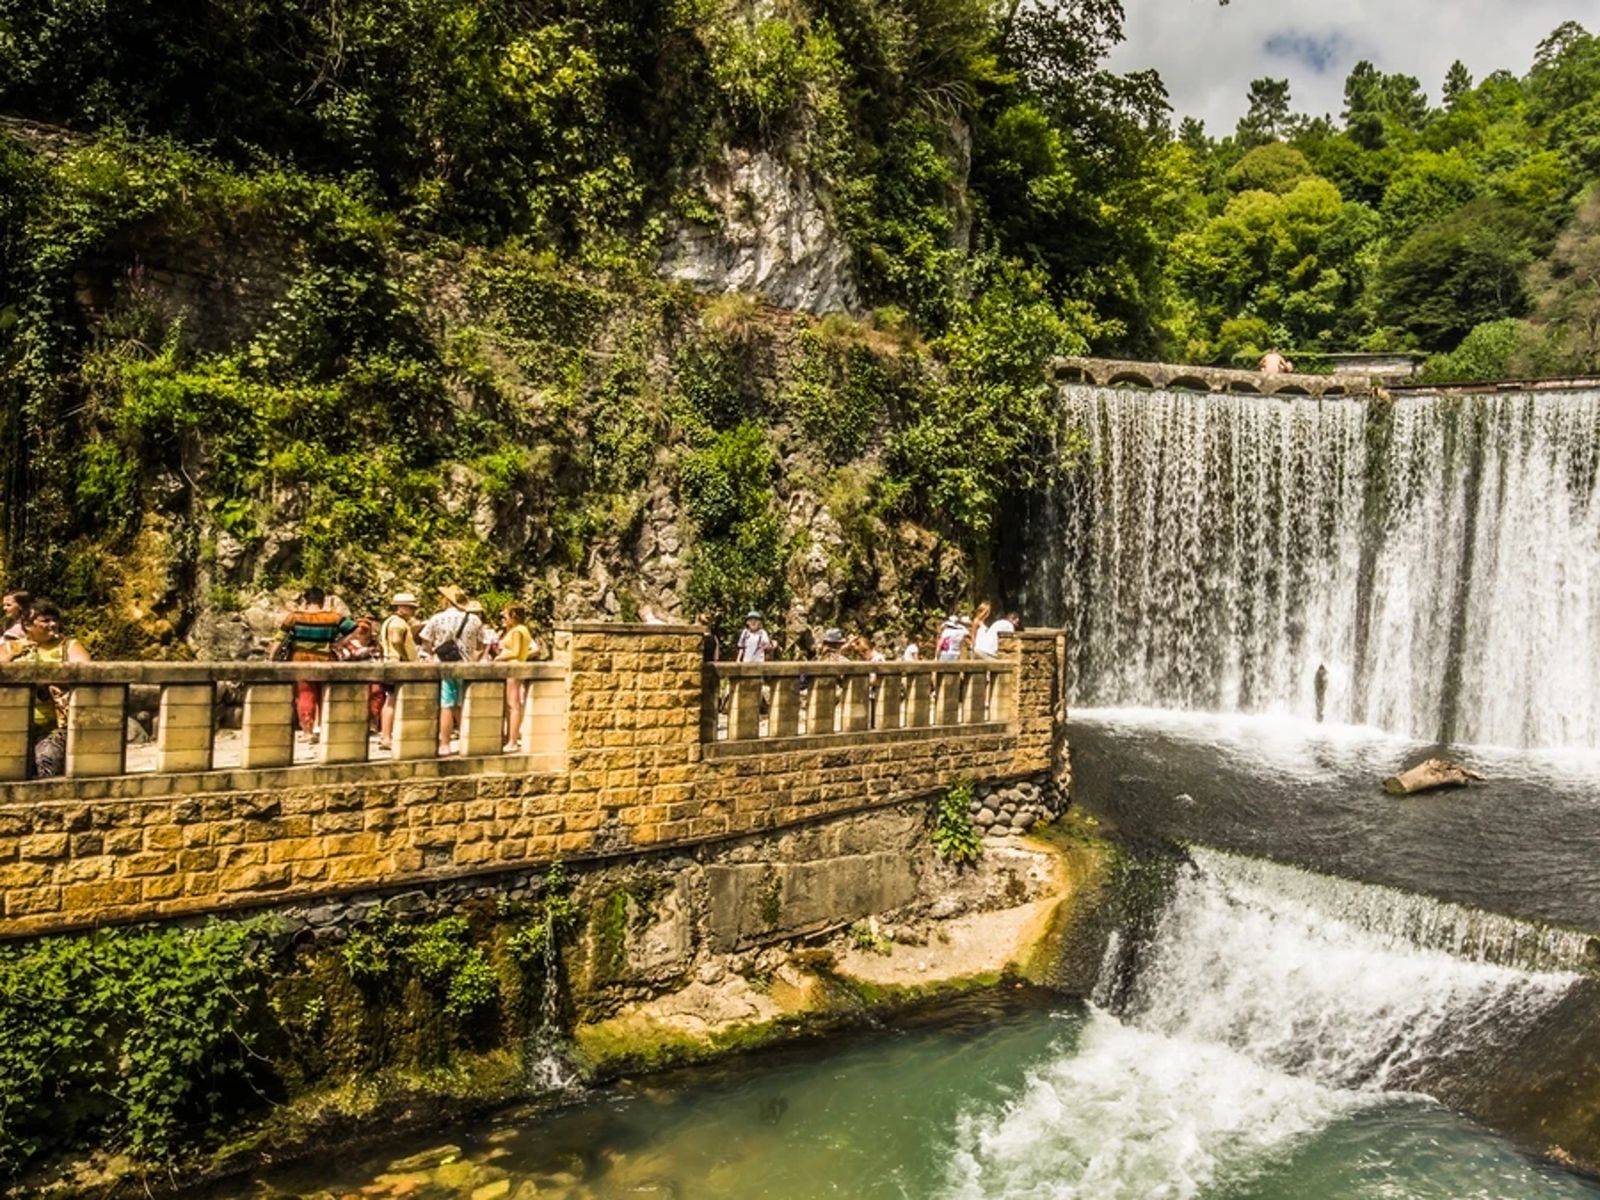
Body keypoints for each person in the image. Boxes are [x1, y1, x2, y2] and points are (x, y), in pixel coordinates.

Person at [0, 601, 90, 777]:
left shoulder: (68, 646)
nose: (53, 624)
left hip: (53, 727)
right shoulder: (10, 647)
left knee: (45, 762)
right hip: (10, 726)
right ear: (28, 625)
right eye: (46, 621)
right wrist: (10, 657)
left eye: (55, 620)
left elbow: (87, 673)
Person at [280, 587, 356, 743]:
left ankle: (308, 732)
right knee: (326, 695)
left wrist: (271, 658)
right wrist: (339, 643)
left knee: (305, 695)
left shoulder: (294, 617)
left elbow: (279, 639)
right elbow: (354, 628)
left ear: (305, 601)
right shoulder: (333, 617)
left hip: (300, 660)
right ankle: (325, 730)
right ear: (322, 601)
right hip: (326, 659)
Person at [420, 585, 485, 755]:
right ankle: (466, 741)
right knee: (464, 704)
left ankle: (445, 744)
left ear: (447, 601)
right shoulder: (475, 620)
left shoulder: (437, 619)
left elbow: (426, 645)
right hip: (467, 666)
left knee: (447, 704)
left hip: (445, 666)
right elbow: (480, 646)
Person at [375, 592, 419, 751]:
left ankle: (386, 735)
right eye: (411, 608)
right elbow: (396, 640)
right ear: (403, 607)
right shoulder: (398, 623)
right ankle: (387, 736)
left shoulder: (389, 621)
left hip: (388, 661)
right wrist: (405, 656)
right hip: (397, 663)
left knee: (390, 700)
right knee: (392, 700)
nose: (413, 611)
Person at [497, 603, 535, 752]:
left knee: (513, 704)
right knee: (512, 704)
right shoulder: (522, 629)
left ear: (513, 616)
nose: (504, 619)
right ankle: (510, 738)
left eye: (505, 616)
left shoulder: (517, 631)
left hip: (513, 667)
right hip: (516, 667)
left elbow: (516, 652)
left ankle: (512, 740)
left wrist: (499, 657)